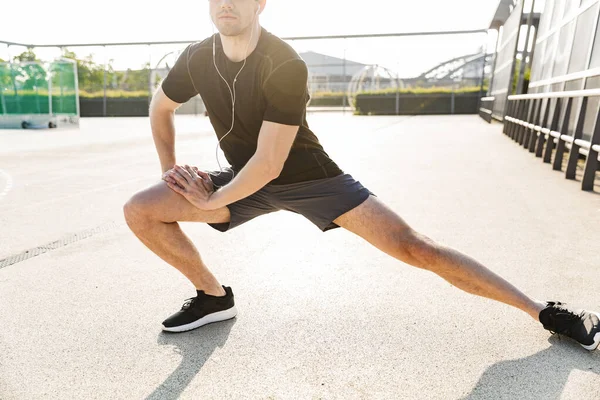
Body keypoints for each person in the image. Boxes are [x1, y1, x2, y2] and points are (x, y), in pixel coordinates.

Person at [123, 0, 600, 351]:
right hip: (241, 179)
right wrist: (172, 175)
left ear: (261, 3)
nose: (226, 3)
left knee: (417, 248)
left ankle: (545, 312)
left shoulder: (283, 63)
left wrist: (212, 199)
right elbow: (160, 107)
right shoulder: (195, 56)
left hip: (309, 178)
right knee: (141, 210)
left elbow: (271, 163)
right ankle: (213, 297)